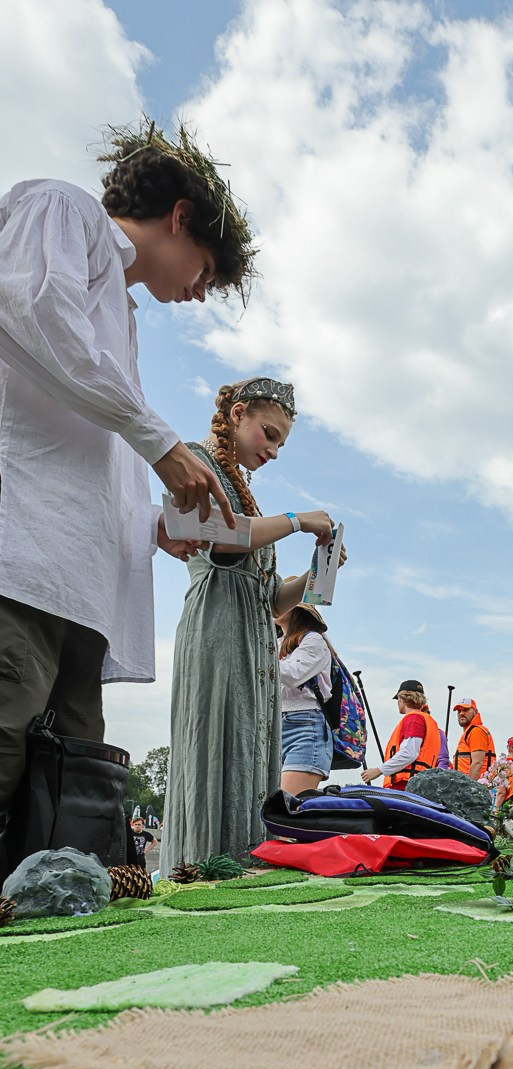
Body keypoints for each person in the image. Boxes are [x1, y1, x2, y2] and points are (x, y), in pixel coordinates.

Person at [0, 121, 256, 868]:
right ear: (179, 216)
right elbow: (30, 314)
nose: (201, 290)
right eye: (206, 266)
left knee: (64, 786)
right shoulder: (62, 210)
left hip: (78, 581)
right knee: (7, 739)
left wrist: (150, 523)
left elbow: (93, 448)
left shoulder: (124, 315)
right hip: (21, 555)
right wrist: (159, 438)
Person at [159, 379, 336, 872]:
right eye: (269, 434)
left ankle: (243, 863)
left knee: (251, 748)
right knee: (218, 743)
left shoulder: (249, 496)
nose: (275, 450)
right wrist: (298, 520)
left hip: (255, 632)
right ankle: (202, 866)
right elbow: (222, 539)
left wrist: (316, 572)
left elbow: (272, 595)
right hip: (218, 623)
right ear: (237, 415)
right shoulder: (195, 461)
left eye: (280, 442)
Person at [276, 599, 334, 796]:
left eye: (280, 600)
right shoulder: (274, 643)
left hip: (305, 727)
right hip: (273, 728)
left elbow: (293, 675)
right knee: (267, 808)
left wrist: (258, 656)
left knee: (284, 809)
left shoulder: (314, 640)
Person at [362, 681, 443, 790]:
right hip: (420, 784)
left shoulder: (414, 719)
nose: (398, 702)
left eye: (398, 699)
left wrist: (378, 770)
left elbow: (409, 753)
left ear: (402, 698)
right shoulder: (427, 721)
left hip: (406, 785)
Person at [453, 696, 495, 782]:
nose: (461, 713)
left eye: (466, 710)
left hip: (476, 786)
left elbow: (477, 763)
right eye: (459, 711)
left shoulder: (476, 731)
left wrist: (469, 789)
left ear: (475, 712)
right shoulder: (470, 732)